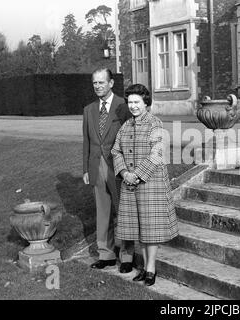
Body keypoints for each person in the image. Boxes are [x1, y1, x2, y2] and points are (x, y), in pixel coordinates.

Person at [111, 83, 179, 286]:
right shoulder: (126, 126)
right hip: (130, 184)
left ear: (146, 103)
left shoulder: (155, 124)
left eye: (137, 102)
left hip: (151, 184)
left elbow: (156, 154)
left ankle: (151, 269)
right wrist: (124, 172)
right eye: (130, 102)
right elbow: (116, 151)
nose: (133, 106)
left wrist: (137, 175)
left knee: (151, 229)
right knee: (139, 228)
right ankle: (145, 267)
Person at [82, 68, 134, 273]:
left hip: (119, 166)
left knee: (123, 211)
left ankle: (127, 256)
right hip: (97, 166)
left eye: (101, 82)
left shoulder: (124, 105)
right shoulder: (89, 109)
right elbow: (86, 141)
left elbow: (131, 137)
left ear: (111, 83)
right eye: (95, 83)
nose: (97, 86)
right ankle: (106, 254)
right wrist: (86, 168)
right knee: (102, 212)